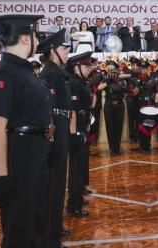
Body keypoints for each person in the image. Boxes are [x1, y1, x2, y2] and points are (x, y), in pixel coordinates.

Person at [0, 14, 53, 246]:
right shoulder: (6, 71)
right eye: (35, 35)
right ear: (26, 39)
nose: (38, 40)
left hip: (36, 153)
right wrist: (1, 178)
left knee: (36, 220)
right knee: (20, 225)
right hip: (22, 155)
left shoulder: (23, 70)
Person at [35, 28, 72, 248]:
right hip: (55, 128)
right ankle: (51, 238)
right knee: (54, 184)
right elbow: (46, 106)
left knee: (59, 184)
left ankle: (55, 230)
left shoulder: (56, 71)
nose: (67, 52)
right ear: (52, 51)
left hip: (61, 125)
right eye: (63, 48)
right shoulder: (49, 72)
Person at [66, 51, 94, 217]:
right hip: (77, 130)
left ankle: (77, 198)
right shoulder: (74, 83)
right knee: (75, 170)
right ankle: (73, 205)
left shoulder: (80, 81)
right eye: (86, 65)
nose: (89, 68)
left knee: (80, 167)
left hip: (83, 127)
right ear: (76, 67)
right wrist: (75, 133)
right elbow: (73, 111)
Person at [100, 60, 128, 155]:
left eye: (112, 68)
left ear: (116, 69)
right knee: (110, 128)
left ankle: (117, 148)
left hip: (119, 105)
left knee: (118, 127)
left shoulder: (121, 79)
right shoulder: (105, 78)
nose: (111, 70)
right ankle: (112, 149)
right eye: (109, 68)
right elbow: (99, 88)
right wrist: (108, 82)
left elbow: (125, 91)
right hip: (109, 105)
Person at [136, 60, 158, 152]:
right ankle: (142, 145)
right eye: (141, 68)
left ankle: (148, 145)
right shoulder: (136, 79)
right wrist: (139, 85)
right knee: (141, 126)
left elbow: (156, 92)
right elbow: (133, 93)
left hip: (149, 104)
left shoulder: (152, 80)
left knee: (149, 124)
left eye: (145, 68)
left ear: (147, 69)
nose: (143, 70)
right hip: (139, 104)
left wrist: (156, 103)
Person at [125, 57, 140, 144]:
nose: (134, 66)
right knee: (131, 119)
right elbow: (121, 78)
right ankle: (131, 136)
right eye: (132, 64)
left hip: (138, 98)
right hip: (130, 97)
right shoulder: (128, 73)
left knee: (138, 118)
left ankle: (137, 136)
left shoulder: (140, 73)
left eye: (135, 65)